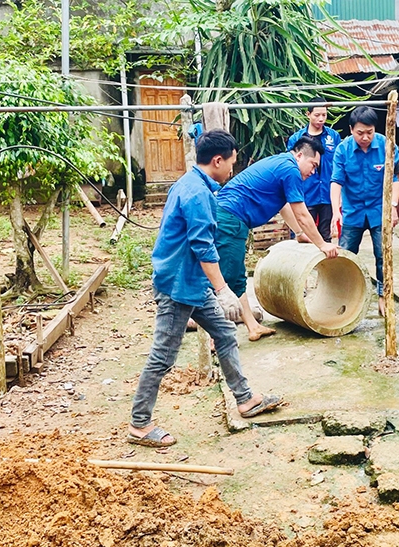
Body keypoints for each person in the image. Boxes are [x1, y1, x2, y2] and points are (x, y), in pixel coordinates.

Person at [128, 130, 282, 449]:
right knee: (163, 356)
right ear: (217, 160)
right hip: (177, 285)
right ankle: (140, 424)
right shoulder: (197, 193)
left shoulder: (193, 185)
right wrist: (223, 289)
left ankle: (245, 399)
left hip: (192, 282)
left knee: (225, 334)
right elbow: (203, 246)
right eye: (231, 164)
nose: (232, 171)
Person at [215, 136, 339, 340]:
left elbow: (284, 206)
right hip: (230, 217)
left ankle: (252, 327)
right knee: (226, 278)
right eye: (313, 165)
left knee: (236, 277)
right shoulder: (290, 169)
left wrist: (299, 234)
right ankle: (214, 337)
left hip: (232, 218)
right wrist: (322, 244)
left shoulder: (282, 164)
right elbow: (302, 214)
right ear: (299, 155)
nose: (313, 171)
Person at [330, 106, 399, 317]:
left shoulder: (387, 146)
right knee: (346, 256)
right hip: (353, 211)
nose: (365, 137)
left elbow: (396, 178)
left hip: (380, 210)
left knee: (383, 255)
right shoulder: (343, 150)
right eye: (360, 132)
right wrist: (336, 211)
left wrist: (394, 206)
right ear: (351, 129)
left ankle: (383, 297)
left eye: (369, 132)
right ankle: (343, 297)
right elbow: (336, 182)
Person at [286, 97, 342, 242]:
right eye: (317, 115)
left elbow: (338, 165)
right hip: (305, 194)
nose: (321, 119)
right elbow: (290, 168)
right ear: (308, 114)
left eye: (324, 115)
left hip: (327, 194)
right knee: (305, 235)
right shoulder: (296, 139)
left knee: (326, 236)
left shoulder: (333, 137)